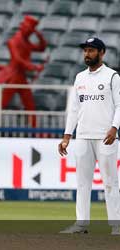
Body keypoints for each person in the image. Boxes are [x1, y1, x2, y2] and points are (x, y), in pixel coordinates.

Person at [58, 37, 120, 235]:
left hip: (106, 137)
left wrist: (114, 127)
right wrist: (67, 135)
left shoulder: (113, 77)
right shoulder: (80, 78)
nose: (87, 54)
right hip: (83, 136)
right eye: (85, 50)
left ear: (102, 53)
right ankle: (81, 224)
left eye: (91, 50)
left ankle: (116, 226)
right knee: (83, 182)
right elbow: (74, 109)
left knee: (110, 182)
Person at [0, 15, 47, 129]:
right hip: (13, 77)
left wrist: (39, 35)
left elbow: (42, 48)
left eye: (31, 30)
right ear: (23, 27)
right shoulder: (13, 41)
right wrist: (33, 67)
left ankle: (34, 130)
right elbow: (17, 59)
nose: (28, 31)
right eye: (28, 28)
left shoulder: (26, 42)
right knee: (1, 103)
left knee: (30, 105)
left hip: (21, 77)